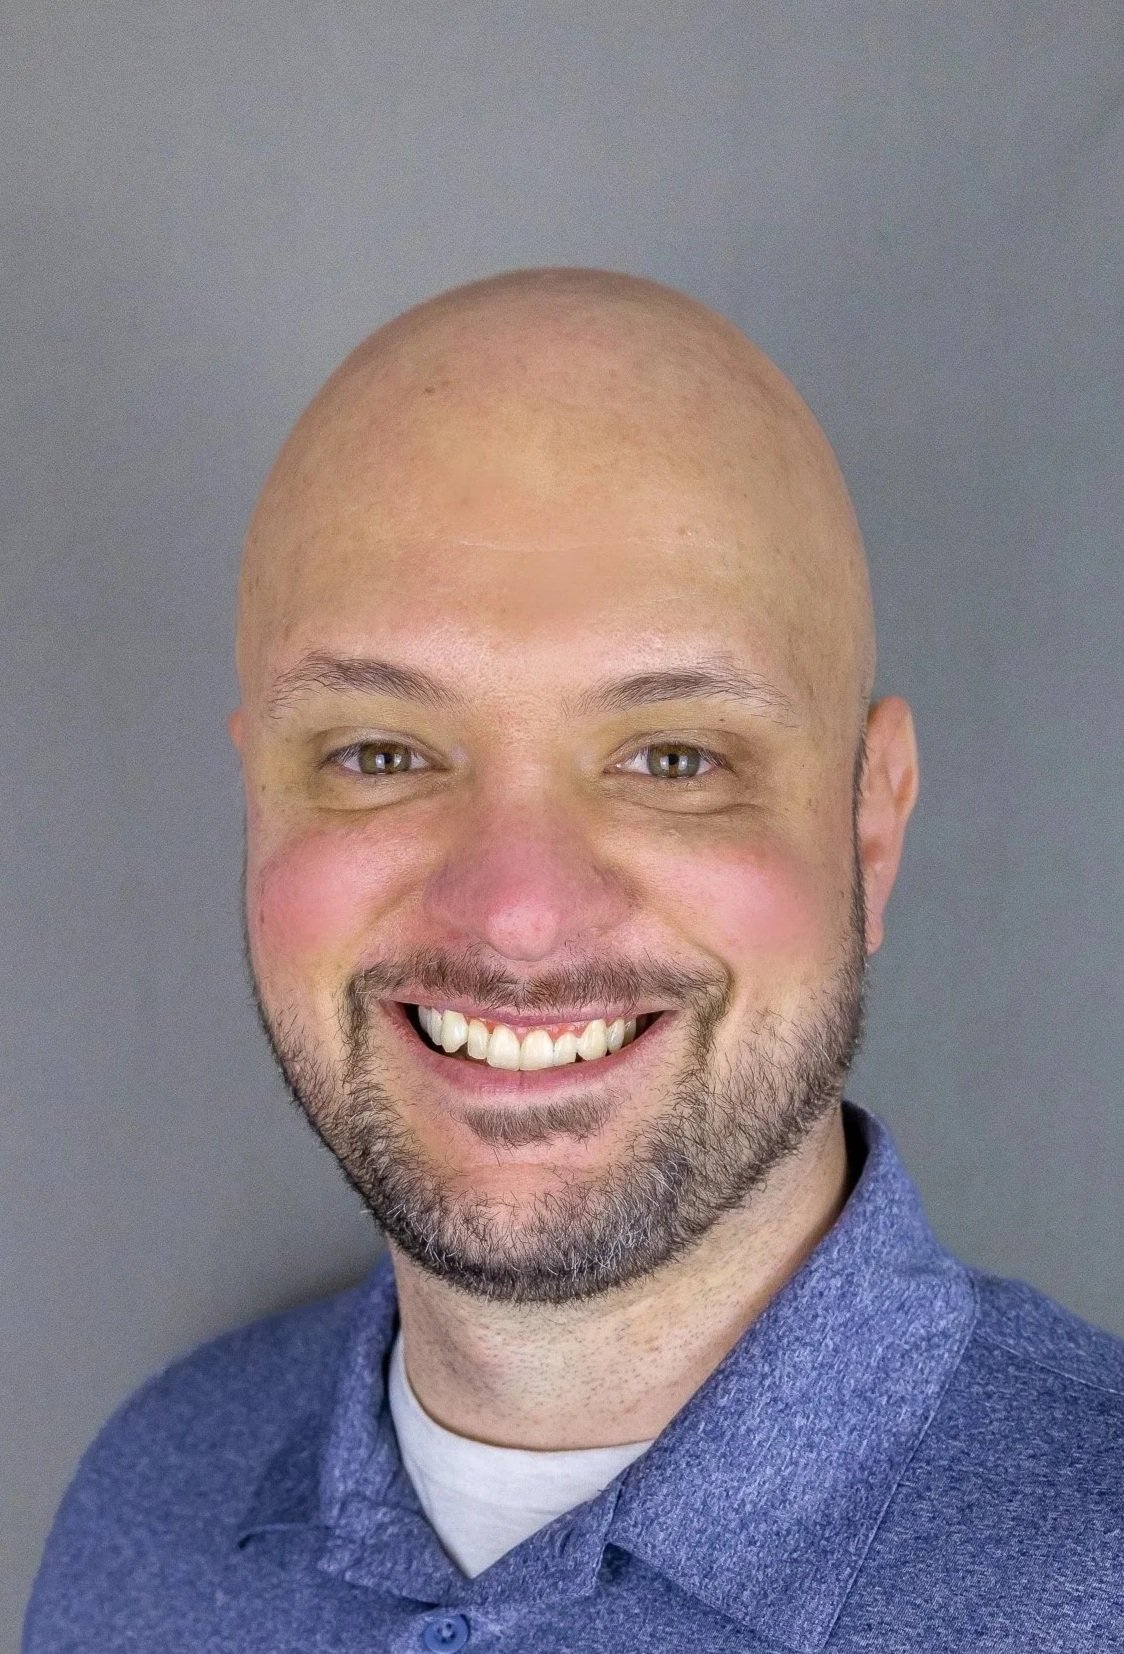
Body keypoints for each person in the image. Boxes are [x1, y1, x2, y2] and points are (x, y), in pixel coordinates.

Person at [24, 268, 1124, 1653]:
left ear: (871, 825)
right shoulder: (144, 1512)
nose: (518, 914)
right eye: (378, 752)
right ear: (259, 812)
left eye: (673, 757)